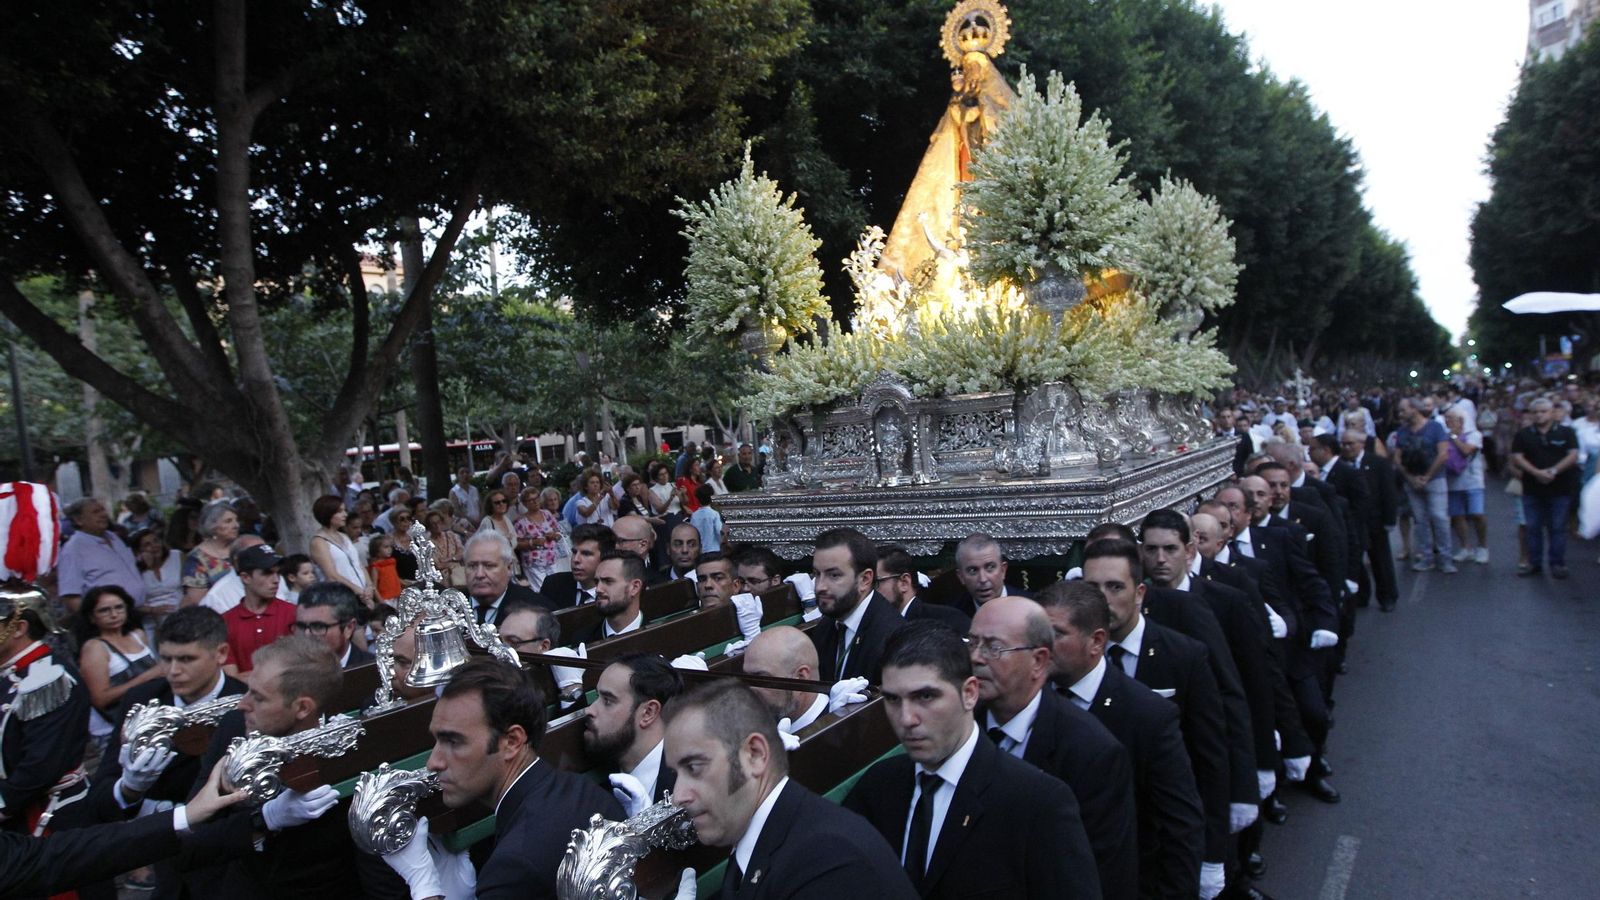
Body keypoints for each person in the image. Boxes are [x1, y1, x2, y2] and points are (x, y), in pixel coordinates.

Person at [843, 622, 1100, 900]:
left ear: (969, 693)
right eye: (893, 699)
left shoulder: (1038, 802)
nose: (907, 719)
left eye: (925, 696)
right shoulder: (878, 786)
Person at [380, 659, 623, 900]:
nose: (433, 763)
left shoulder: (513, 866)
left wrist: (425, 886)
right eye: (437, 740)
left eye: (453, 741)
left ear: (512, 742)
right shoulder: (584, 790)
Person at [665, 678, 917, 899]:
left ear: (754, 755)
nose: (678, 797)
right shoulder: (769, 838)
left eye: (695, 768)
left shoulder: (825, 860)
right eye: (676, 774)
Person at [1082, 540, 1232, 898]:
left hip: (1161, 840)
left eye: (1115, 587)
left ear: (1140, 592)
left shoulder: (1184, 657)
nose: (1102, 599)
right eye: (1091, 589)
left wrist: (1213, 853)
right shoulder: (1070, 661)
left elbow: (1210, 757)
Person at [1039, 581, 1206, 900]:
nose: (1041, 645)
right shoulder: (1027, 700)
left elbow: (1180, 825)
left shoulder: (1148, 715)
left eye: (1056, 634)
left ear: (1096, 641)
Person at [967, 596, 1139, 900]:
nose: (977, 658)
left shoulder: (1092, 751)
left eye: (994, 647)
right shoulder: (962, 726)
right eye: (972, 643)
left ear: (1038, 661)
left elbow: (1103, 872)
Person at [179, 636, 377, 898]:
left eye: (259, 698)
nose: (242, 704)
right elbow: (191, 842)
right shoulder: (235, 728)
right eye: (249, 690)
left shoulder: (350, 751)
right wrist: (264, 819)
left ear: (302, 707)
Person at [586, 653, 684, 817]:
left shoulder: (690, 778)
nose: (589, 710)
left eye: (608, 701)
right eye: (597, 697)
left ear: (648, 712)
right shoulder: (600, 782)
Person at [76, 585, 163, 763]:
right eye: (104, 610)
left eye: (118, 607)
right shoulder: (95, 648)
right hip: (116, 730)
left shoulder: (138, 635)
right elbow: (100, 698)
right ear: (92, 617)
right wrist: (147, 677)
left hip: (150, 721)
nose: (114, 614)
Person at [808, 527, 904, 683]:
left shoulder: (893, 640)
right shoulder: (826, 626)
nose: (820, 586)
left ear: (865, 579)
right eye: (817, 574)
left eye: (834, 575)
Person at [1511, 397, 1580, 578]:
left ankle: (1557, 563)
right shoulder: (1523, 434)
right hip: (1532, 488)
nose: (1539, 415)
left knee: (1557, 527)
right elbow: (1517, 457)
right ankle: (1535, 563)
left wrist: (1554, 470)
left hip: (1560, 488)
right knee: (1532, 527)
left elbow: (1573, 455)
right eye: (1535, 412)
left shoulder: (1566, 432)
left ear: (1551, 413)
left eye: (1543, 411)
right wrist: (1535, 472)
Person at [1392, 397, 1455, 573]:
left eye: (1403, 410)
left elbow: (1443, 454)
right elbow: (1397, 457)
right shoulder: (1403, 431)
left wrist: (1427, 476)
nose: (1400, 414)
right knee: (1420, 520)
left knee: (1439, 517)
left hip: (1435, 479)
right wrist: (1410, 477)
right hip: (1412, 480)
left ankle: (1445, 558)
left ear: (1414, 409)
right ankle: (1426, 556)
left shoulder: (1435, 427)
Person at [57, 498, 145, 615]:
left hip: (136, 612)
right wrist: (92, 622)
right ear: (79, 520)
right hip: (109, 619)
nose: (103, 514)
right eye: (96, 512)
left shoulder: (114, 537)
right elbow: (71, 596)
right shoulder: (73, 549)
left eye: (103, 510)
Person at [218, 545, 296, 675]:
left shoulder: (294, 614)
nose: (276, 580)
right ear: (245, 578)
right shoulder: (225, 622)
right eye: (267, 573)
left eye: (277, 572)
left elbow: (301, 671)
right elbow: (231, 678)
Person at [463, 531, 547, 627]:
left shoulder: (537, 609)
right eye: (472, 566)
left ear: (509, 568)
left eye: (489, 566)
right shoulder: (449, 608)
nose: (479, 574)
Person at [876, 547, 970, 631]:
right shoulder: (876, 625)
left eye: (876, 583)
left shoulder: (947, 620)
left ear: (904, 583)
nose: (870, 591)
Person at [570, 550, 648, 645]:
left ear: (634, 587)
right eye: (596, 582)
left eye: (608, 581)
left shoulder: (660, 635)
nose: (598, 589)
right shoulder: (582, 641)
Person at [1443, 409, 1489, 564]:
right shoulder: (1443, 435)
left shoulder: (1474, 435)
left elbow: (1466, 450)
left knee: (1477, 514)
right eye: (1447, 418)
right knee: (1457, 515)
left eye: (1452, 418)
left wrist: (1454, 436)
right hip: (1453, 482)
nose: (1448, 421)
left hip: (1473, 481)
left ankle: (1482, 547)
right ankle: (1465, 547)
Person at [308, 496, 373, 605]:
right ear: (328, 514)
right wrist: (360, 592)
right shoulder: (319, 542)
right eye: (340, 511)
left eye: (344, 510)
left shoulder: (344, 536)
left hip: (363, 594)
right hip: (342, 598)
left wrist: (370, 587)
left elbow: (358, 564)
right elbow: (331, 575)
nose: (345, 515)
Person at [294, 582, 372, 667]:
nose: (306, 634)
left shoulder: (376, 672)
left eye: (318, 627)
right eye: (301, 626)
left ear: (348, 628)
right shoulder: (288, 673)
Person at [538, 523, 615, 610]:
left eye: (586, 554)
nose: (576, 559)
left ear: (605, 557)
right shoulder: (553, 585)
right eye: (574, 552)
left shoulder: (615, 594)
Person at [949, 532, 1022, 617]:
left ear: (1003, 570)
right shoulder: (953, 616)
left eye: (990, 567)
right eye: (973, 570)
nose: (983, 579)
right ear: (961, 576)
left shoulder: (1031, 607)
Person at [182, 502, 240, 607]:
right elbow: (198, 601)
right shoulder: (197, 559)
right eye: (228, 521)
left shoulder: (241, 548)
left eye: (236, 520)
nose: (236, 525)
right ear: (212, 526)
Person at [133, 528, 184, 635]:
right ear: (139, 551)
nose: (154, 546)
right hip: (153, 619)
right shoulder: (135, 568)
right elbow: (133, 603)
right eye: (147, 544)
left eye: (156, 541)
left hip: (181, 613)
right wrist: (153, 610)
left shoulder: (177, 556)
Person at [514, 487, 562, 590]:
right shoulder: (521, 521)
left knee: (556, 587)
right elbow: (516, 544)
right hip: (534, 563)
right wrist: (532, 543)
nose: (534, 502)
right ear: (524, 503)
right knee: (541, 590)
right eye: (530, 500)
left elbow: (558, 533)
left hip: (551, 559)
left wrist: (554, 535)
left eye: (536, 498)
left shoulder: (547, 514)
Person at [476, 489, 522, 580]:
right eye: (497, 503)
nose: (501, 504)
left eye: (504, 501)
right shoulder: (487, 521)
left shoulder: (506, 519)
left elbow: (514, 541)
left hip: (512, 564)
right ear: (491, 506)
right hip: (497, 565)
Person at [423, 507, 466, 588]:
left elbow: (462, 553)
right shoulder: (427, 543)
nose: (437, 525)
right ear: (429, 526)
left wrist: (449, 559)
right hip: (441, 580)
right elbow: (437, 565)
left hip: (459, 575)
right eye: (433, 523)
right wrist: (455, 561)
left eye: (439, 522)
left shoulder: (451, 535)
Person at [367, 533, 402, 602]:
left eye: (390, 547)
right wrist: (381, 600)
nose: (389, 549)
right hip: (385, 598)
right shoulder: (376, 566)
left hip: (397, 596)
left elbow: (394, 578)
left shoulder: (391, 563)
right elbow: (374, 586)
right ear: (377, 550)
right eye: (386, 547)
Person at [690, 483, 724, 552]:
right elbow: (719, 531)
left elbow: (692, 533)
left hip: (701, 551)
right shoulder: (714, 514)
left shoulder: (694, 515)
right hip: (714, 549)